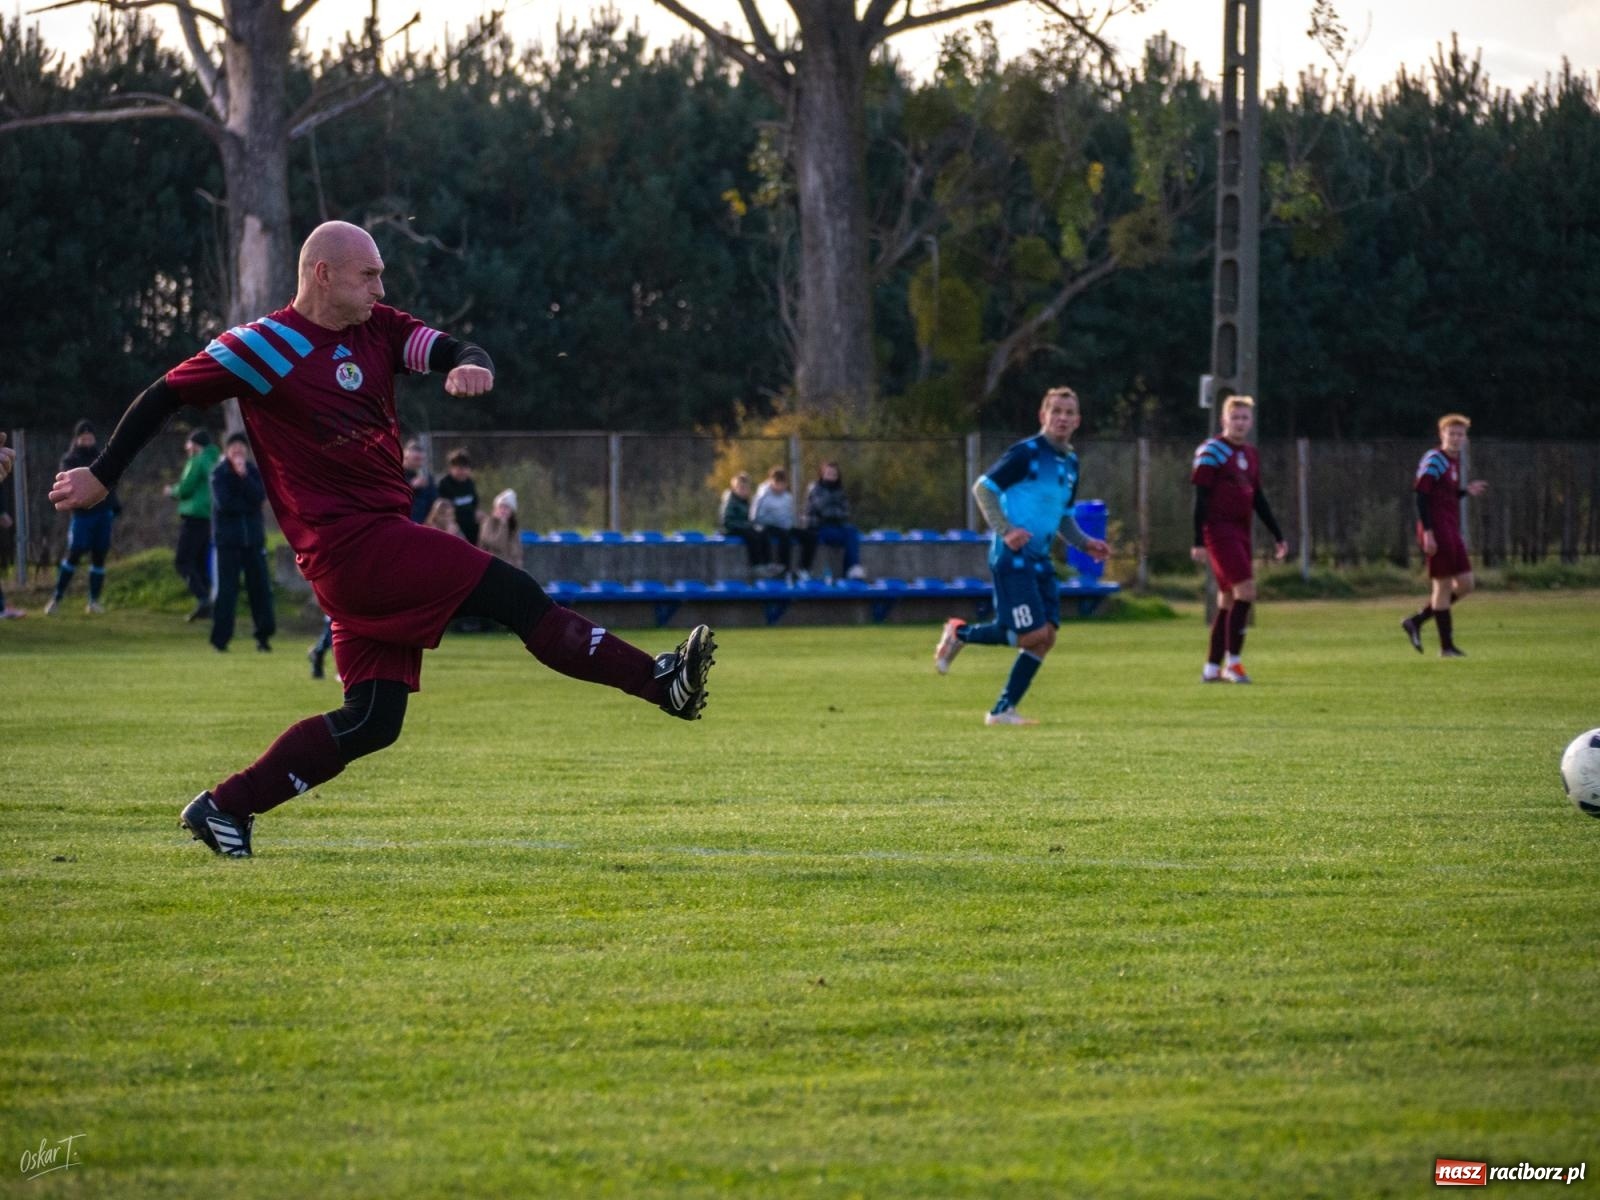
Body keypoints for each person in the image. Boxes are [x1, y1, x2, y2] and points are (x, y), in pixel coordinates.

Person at [50, 220, 714, 858]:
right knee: (513, 593)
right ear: (322, 274)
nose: (381, 290)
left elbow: (450, 348)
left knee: (373, 719)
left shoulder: (379, 330)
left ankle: (225, 807)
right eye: (369, 276)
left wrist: (471, 365)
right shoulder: (260, 346)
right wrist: (103, 475)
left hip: (377, 541)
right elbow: (164, 394)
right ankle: (660, 682)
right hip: (350, 547)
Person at [932, 386, 1109, 725]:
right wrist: (1006, 530)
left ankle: (1002, 711)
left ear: (1078, 421)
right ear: (1043, 416)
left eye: (1069, 413)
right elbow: (983, 487)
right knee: (1031, 635)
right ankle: (960, 634)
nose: (1062, 418)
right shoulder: (1026, 453)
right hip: (1012, 556)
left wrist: (1085, 543)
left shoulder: (1071, 462)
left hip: (1040, 558)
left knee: (1047, 637)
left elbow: (1064, 515)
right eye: (1056, 411)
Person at [1188, 396, 1288, 684]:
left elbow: (1258, 498)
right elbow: (1201, 498)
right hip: (1218, 531)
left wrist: (1277, 534)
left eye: (1245, 418)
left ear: (1251, 421)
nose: (1240, 423)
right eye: (1235, 418)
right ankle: (1234, 663)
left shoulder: (1250, 454)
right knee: (1247, 592)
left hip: (1241, 531)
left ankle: (1211, 668)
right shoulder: (1211, 451)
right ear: (1224, 421)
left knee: (1229, 598)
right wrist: (1198, 540)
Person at [1402, 414, 1489, 658]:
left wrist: (1464, 492)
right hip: (1436, 529)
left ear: (1465, 437)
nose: (1456, 438)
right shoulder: (1434, 459)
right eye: (1452, 433)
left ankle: (1417, 620)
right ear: (1442, 435)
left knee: (1466, 584)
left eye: (1460, 434)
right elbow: (1421, 495)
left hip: (1450, 528)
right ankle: (1446, 647)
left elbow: (1444, 496)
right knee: (1441, 586)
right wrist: (1428, 533)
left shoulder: (1454, 461)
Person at [209, 433, 277, 653]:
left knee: (260, 590)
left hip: (254, 542)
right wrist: (245, 498)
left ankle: (264, 637)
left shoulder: (254, 472)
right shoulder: (219, 474)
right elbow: (225, 503)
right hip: (228, 543)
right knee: (227, 591)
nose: (238, 451)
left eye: (241, 447)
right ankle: (221, 640)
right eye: (233, 447)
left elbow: (259, 496)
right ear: (227, 451)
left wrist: (244, 477)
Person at [45, 420, 120, 615]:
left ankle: (93, 601)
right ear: (77, 438)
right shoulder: (70, 460)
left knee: (99, 555)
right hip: (82, 516)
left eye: (90, 437)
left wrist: (115, 503)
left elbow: (110, 482)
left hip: (103, 512)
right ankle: (56, 598)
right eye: (83, 437)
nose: (87, 440)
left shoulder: (101, 456)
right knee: (75, 553)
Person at [166, 428, 220, 621]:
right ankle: (207, 605)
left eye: (189, 443)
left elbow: (186, 487)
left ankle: (203, 598)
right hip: (210, 518)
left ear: (196, 445)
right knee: (199, 562)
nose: (187, 447)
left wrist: (171, 490)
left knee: (182, 561)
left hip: (194, 515)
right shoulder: (216, 460)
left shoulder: (196, 460)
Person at [803, 460, 866, 581]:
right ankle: (850, 569)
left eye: (834, 474)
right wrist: (836, 511)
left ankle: (852, 569)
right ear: (822, 474)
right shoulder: (815, 489)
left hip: (835, 527)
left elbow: (846, 511)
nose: (831, 477)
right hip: (818, 529)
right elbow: (824, 511)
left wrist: (836, 511)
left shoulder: (840, 490)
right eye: (829, 473)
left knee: (852, 531)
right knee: (844, 532)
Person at [751, 466, 816, 581]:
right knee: (784, 537)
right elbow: (755, 517)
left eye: (783, 484)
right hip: (769, 527)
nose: (780, 487)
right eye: (778, 483)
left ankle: (803, 569)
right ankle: (784, 570)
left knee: (810, 536)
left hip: (785, 526)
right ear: (772, 482)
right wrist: (776, 521)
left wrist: (796, 521)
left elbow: (790, 516)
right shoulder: (763, 495)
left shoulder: (787, 497)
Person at [718, 472, 768, 572]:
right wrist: (745, 526)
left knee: (763, 532)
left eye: (745, 488)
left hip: (742, 527)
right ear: (734, 488)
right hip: (730, 529)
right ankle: (755, 564)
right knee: (751, 535)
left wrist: (750, 525)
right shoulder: (730, 501)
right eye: (740, 488)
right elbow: (726, 521)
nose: (743, 491)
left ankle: (767, 563)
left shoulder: (745, 501)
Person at [436, 448, 479, 546]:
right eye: (459, 468)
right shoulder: (444, 484)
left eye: (465, 468)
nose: (462, 472)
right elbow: (440, 510)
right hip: (452, 530)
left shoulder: (469, 483)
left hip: (470, 528)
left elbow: (475, 503)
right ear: (451, 468)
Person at [477, 488, 520, 564]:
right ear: (495, 508)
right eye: (500, 506)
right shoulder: (487, 523)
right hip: (490, 564)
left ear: (512, 511)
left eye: (506, 507)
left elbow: (516, 552)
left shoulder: (512, 526)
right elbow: (497, 545)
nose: (503, 510)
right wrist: (503, 525)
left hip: (509, 567)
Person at [403, 439, 437, 523]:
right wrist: (411, 486)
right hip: (405, 523)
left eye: (421, 459)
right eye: (416, 459)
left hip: (426, 524)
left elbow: (434, 500)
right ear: (405, 456)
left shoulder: (427, 477)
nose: (419, 462)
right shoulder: (397, 474)